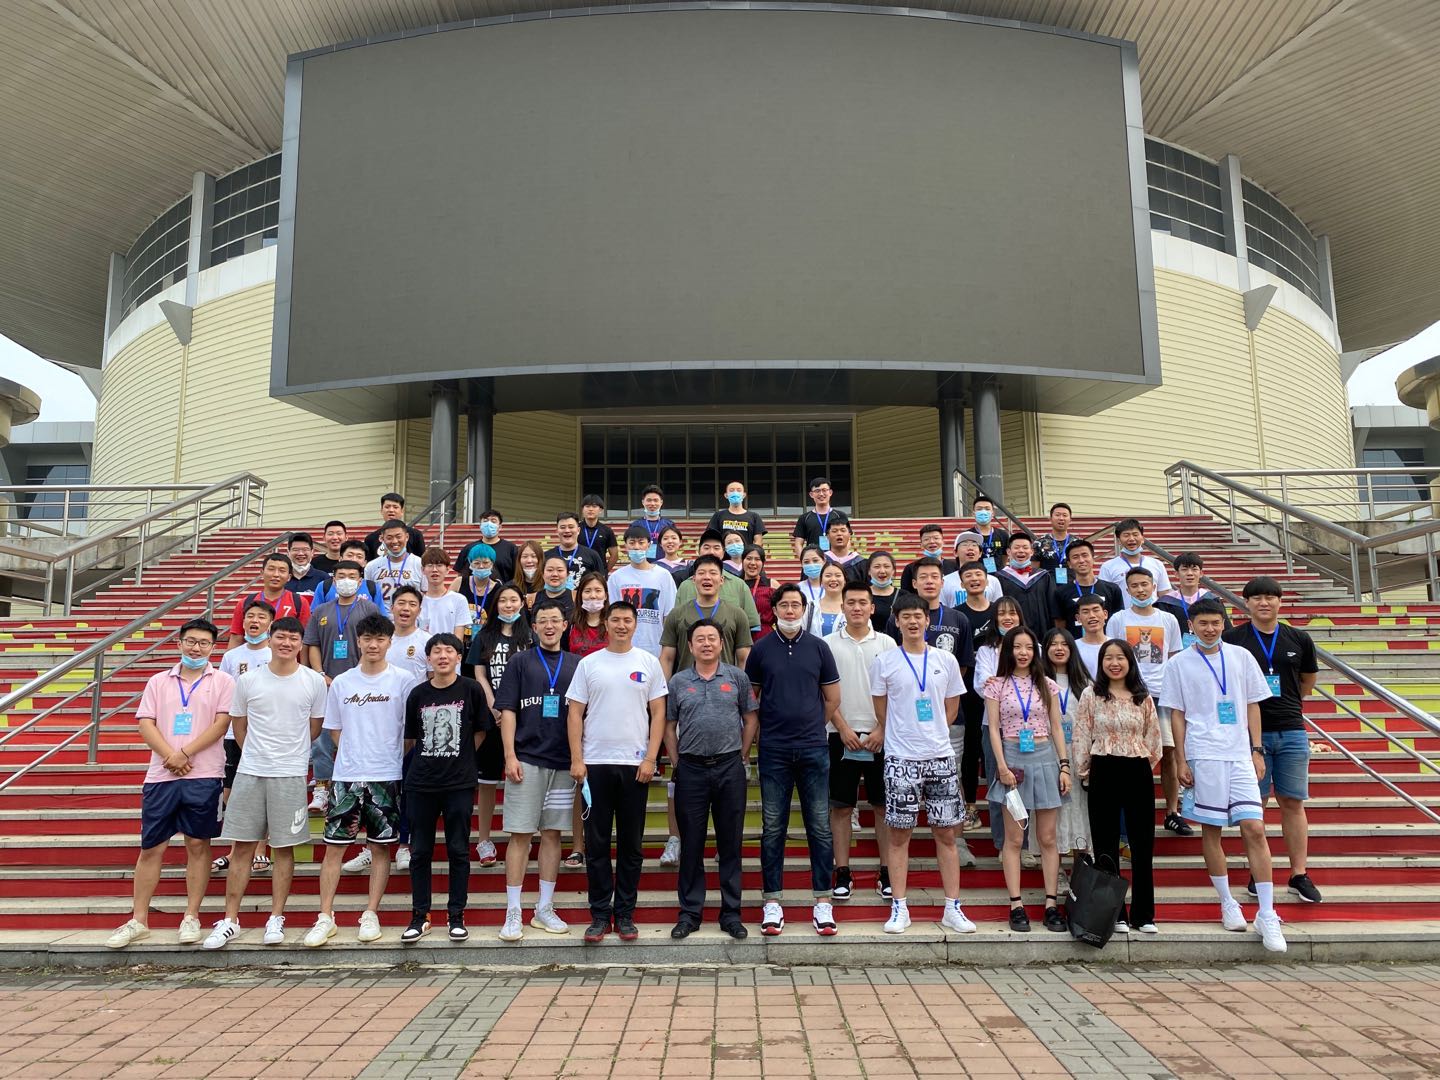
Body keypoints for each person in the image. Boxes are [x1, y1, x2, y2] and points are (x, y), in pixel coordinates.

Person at [1162, 598, 1287, 953]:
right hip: (1203, 754)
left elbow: (1252, 704)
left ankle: (1267, 912)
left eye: (1215, 623)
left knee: (1255, 828)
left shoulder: (1241, 656)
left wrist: (1257, 749)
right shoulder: (1178, 664)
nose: (1210, 629)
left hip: (1239, 754)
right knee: (1212, 830)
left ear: (1224, 624)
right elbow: (1177, 715)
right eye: (1202, 623)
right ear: (1191, 626)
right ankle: (1227, 901)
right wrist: (1181, 759)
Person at [107, 619, 235, 949]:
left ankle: (191, 916)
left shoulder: (223, 681)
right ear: (179, 643)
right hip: (162, 775)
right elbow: (145, 723)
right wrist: (170, 756)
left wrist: (185, 753)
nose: (196, 648)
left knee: (198, 845)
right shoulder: (158, 681)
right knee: (152, 847)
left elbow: (221, 724)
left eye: (204, 643)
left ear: (213, 647)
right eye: (191, 641)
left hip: (204, 774)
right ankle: (139, 919)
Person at [203, 616, 326, 949]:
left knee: (284, 848)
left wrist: (289, 753)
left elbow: (314, 727)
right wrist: (257, 754)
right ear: (270, 639)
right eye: (281, 637)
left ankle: (276, 917)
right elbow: (239, 726)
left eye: (293, 639)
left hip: (290, 773)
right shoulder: (248, 680)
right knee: (242, 847)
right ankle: (230, 919)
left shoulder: (313, 681)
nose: (287, 643)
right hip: (251, 771)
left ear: (301, 644)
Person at [304, 613, 419, 947]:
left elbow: (409, 732)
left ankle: (371, 913)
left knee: (381, 849)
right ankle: (325, 916)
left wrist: (387, 754)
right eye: (367, 638)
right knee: (334, 849)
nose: (373, 645)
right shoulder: (342, 682)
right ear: (358, 641)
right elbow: (334, 729)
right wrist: (355, 753)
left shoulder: (403, 681)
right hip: (347, 776)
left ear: (389, 642)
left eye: (380, 639)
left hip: (387, 776)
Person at [870, 593, 976, 935]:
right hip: (901, 758)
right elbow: (882, 710)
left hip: (940, 757)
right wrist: (904, 734)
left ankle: (952, 907)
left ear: (927, 621)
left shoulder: (946, 659)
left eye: (918, 616)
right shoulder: (884, 661)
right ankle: (899, 907)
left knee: (946, 834)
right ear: (897, 622)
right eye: (906, 617)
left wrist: (931, 735)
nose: (913, 622)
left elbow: (951, 709)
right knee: (899, 835)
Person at [744, 583, 842, 936]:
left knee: (819, 825)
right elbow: (752, 699)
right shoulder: (761, 649)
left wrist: (813, 724)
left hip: (814, 748)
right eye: (783, 605)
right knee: (773, 827)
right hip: (774, 749)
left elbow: (832, 698)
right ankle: (772, 901)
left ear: (804, 609)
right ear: (774, 611)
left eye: (795, 605)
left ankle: (823, 901)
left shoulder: (819, 647)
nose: (789, 611)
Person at [567, 601, 667, 943]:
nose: (621, 625)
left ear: (636, 624)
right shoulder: (589, 663)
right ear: (605, 625)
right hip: (595, 765)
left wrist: (651, 758)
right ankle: (599, 915)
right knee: (596, 845)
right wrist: (577, 759)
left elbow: (658, 714)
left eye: (627, 620)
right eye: (616, 620)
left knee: (630, 845)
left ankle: (624, 914)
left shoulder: (648, 662)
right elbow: (575, 714)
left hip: (635, 766)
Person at [1224, 576, 1321, 904]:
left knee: (1293, 802)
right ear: (1246, 603)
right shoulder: (1233, 639)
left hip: (1291, 729)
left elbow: (1307, 681)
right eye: (1257, 598)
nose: (1264, 603)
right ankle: (1259, 871)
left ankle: (1298, 874)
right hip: (1250, 734)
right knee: (1256, 805)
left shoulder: (1299, 638)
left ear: (1280, 601)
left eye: (1270, 597)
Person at [666, 619, 759, 939]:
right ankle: (690, 913)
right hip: (691, 769)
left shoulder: (736, 677)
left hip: (729, 767)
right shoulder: (678, 682)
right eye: (700, 639)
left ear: (722, 644)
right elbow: (669, 725)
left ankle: (731, 914)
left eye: (712, 638)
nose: (706, 644)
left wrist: (741, 755)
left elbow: (750, 718)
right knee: (691, 844)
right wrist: (677, 761)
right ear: (690, 646)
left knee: (730, 844)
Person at [495, 601, 580, 941]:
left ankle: (544, 908)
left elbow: (582, 714)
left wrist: (578, 758)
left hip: (563, 762)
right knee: (520, 834)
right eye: (542, 620)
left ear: (565, 625)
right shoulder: (520, 662)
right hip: (527, 759)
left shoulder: (577, 664)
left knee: (553, 834)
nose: (549, 625)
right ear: (533, 627)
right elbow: (508, 710)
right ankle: (513, 910)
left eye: (555, 620)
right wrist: (510, 755)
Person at [402, 632, 489, 943]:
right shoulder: (418, 694)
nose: (442, 656)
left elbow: (480, 731)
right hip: (421, 782)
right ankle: (420, 915)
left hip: (459, 783)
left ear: (458, 657)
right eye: (436, 651)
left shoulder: (471, 689)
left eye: (449, 651)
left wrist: (462, 757)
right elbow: (412, 738)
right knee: (420, 852)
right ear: (428, 658)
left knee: (458, 850)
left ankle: (456, 915)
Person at [1073, 639, 1164, 934]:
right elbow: (1081, 733)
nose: (1114, 663)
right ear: (1101, 663)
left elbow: (1154, 739)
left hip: (1137, 769)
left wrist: (1140, 760)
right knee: (1105, 844)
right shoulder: (1091, 694)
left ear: (1130, 662)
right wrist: (1084, 770)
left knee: (1142, 843)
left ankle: (1144, 915)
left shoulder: (1142, 697)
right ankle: (1115, 914)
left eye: (1120, 658)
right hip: (1103, 768)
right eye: (1108, 658)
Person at [984, 626, 1070, 933]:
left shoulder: (1047, 684)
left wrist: (1064, 766)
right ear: (1008, 650)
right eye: (1017, 647)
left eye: (1029, 647)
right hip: (1012, 761)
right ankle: (1016, 905)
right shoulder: (995, 685)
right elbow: (993, 729)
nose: (1023, 653)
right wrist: (1001, 766)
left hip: (1045, 758)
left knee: (1048, 838)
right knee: (1015, 839)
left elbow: (1056, 727)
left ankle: (1051, 905)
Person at [824, 581, 896, 902]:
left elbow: (896, 690)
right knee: (841, 808)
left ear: (872, 607)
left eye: (862, 602)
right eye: (850, 602)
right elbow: (823, 691)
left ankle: (886, 872)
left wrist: (881, 728)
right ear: (842, 607)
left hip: (881, 737)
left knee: (882, 806)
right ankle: (842, 871)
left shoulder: (887, 643)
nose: (856, 607)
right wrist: (841, 728)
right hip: (840, 736)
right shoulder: (826, 644)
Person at [1106, 567, 1190, 837]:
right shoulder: (1118, 619)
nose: (1140, 590)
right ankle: (1130, 816)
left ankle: (1173, 812)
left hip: (1163, 694)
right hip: (1129, 694)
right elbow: (1112, 656)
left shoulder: (1168, 619)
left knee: (1169, 752)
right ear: (1127, 589)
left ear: (1154, 586)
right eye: (1134, 586)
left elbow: (1175, 658)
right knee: (1130, 754)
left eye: (1145, 584)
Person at [303, 559, 382, 813]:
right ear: (333, 579)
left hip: (360, 682)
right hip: (327, 683)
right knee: (322, 738)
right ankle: (322, 788)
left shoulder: (369, 608)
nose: (346, 580)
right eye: (341, 576)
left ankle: (362, 783)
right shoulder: (321, 610)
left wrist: (358, 673)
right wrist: (320, 674)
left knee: (359, 733)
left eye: (351, 576)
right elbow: (312, 644)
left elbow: (374, 643)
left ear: (360, 581)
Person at [468, 583, 532, 869]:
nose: (508, 605)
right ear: (495, 605)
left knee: (523, 778)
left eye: (513, 600)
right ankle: (484, 840)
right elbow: (479, 674)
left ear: (522, 603)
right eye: (503, 600)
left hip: (524, 716)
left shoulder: (529, 636)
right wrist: (494, 704)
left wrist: (514, 708)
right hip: (492, 715)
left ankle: (523, 835)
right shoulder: (484, 636)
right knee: (487, 782)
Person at [213, 599, 274, 875]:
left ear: (270, 623)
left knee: (262, 791)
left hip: (265, 732)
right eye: (250, 616)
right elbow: (223, 694)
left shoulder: (275, 654)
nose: (255, 621)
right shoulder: (232, 656)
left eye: (261, 617)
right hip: (232, 732)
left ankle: (261, 848)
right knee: (233, 790)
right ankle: (235, 850)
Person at [1041, 628, 1093, 883]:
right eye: (1053, 644)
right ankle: (1057, 872)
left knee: (1080, 812)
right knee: (1055, 812)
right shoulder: (1037, 680)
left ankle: (1080, 873)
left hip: (1079, 755)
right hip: (1048, 754)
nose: (1059, 648)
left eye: (1064, 644)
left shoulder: (1086, 683)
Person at [660, 555, 753, 675]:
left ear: (721, 580)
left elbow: (744, 659)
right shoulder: (676, 614)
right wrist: (665, 687)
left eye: (713, 573)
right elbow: (667, 658)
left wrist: (741, 686)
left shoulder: (737, 614)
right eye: (701, 573)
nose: (707, 577)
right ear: (694, 579)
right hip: (686, 685)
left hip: (725, 685)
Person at [884, 558, 975, 679]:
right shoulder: (898, 619)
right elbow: (890, 658)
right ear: (914, 583)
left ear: (942, 583)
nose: (929, 581)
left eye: (934, 577)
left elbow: (963, 663)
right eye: (923, 577)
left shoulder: (959, 619)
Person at [607, 523, 680, 660]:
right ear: (625, 546)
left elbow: (669, 616)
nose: (636, 547)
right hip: (625, 650)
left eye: (641, 542)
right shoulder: (616, 578)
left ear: (649, 545)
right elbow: (612, 615)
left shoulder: (663, 575)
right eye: (632, 543)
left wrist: (667, 651)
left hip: (656, 649)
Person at [674, 531, 763, 631]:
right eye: (706, 548)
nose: (711, 552)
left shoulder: (739, 585)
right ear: (698, 551)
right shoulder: (685, 586)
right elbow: (676, 624)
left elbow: (751, 627)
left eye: (716, 548)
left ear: (723, 552)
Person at [227, 553, 309, 639]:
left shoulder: (299, 602)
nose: (276, 574)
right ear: (262, 573)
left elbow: (304, 638)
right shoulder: (245, 603)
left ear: (289, 577)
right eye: (271, 569)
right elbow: (236, 639)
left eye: (282, 571)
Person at [1052, 539, 1123, 637]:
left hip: (1106, 645)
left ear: (1093, 559)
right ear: (1069, 564)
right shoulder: (1061, 592)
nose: (1081, 560)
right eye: (1075, 557)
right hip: (1075, 645)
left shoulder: (1112, 589)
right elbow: (1060, 627)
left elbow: (1118, 622)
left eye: (1085, 555)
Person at [1158, 552, 1231, 638]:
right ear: (1176, 574)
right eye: (1184, 569)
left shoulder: (1213, 600)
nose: (1190, 573)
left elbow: (1226, 631)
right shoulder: (1165, 603)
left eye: (1194, 569)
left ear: (1201, 573)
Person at [995, 533, 1055, 634]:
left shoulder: (1043, 576)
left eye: (1025, 547)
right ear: (1008, 552)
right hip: (1011, 632)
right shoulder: (1000, 577)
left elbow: (1052, 607)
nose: (1021, 550)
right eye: (1016, 547)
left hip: (1041, 632)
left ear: (1031, 552)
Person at [1099, 518, 1173, 594]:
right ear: (1118, 541)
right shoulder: (1108, 567)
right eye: (1126, 535)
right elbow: (1104, 596)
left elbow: (1164, 595)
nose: (1131, 539)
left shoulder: (1157, 564)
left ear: (1142, 539)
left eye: (1135, 535)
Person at [313, 540, 389, 613]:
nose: (354, 559)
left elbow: (381, 615)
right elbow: (315, 614)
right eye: (350, 555)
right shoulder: (324, 586)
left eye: (359, 556)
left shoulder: (372, 587)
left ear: (365, 563)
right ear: (340, 559)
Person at [366, 520, 427, 607]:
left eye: (398, 537)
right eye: (389, 538)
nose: (394, 541)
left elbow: (426, 594)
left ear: (407, 537)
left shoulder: (420, 564)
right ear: (382, 539)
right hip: (381, 615)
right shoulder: (371, 566)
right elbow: (368, 597)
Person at [452, 509, 518, 585]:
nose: (489, 524)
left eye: (493, 521)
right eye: (485, 521)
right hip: (473, 591)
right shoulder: (469, 548)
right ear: (480, 526)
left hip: (503, 591)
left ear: (500, 527)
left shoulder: (511, 549)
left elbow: (517, 575)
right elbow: (460, 574)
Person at [791, 475, 850, 556]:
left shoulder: (840, 515)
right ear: (811, 494)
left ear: (830, 492)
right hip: (814, 560)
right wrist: (805, 560)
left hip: (835, 561)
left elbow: (847, 540)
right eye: (817, 491)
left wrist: (841, 559)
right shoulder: (804, 518)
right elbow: (798, 543)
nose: (821, 494)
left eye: (824, 490)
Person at [419, 547, 469, 638]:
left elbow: (458, 637)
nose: (434, 569)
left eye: (439, 565)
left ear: (447, 569)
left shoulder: (459, 600)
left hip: (449, 647)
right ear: (423, 570)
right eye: (430, 565)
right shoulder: (417, 601)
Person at [941, 533, 1002, 607]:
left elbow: (998, 608)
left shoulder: (993, 581)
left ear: (980, 553)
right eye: (965, 545)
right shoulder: (945, 582)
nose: (970, 548)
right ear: (955, 553)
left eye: (974, 545)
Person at [362, 491, 426, 562]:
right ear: (381, 510)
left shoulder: (415, 535)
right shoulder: (371, 539)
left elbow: (423, 562)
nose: (391, 510)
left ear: (402, 511)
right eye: (387, 507)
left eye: (395, 507)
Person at [384, 585, 430, 679]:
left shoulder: (427, 641)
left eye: (412, 604)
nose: (406, 608)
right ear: (392, 608)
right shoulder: (379, 639)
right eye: (401, 603)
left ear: (419, 611)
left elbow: (434, 678)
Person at [549, 511, 607, 580]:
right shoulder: (547, 556)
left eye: (571, 527)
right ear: (557, 531)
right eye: (562, 527)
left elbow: (601, 582)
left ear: (578, 530)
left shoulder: (592, 555)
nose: (567, 530)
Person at [458, 542, 500, 635]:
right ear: (470, 564)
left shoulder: (498, 589)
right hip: (461, 636)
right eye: (476, 563)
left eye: (485, 562)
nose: (481, 566)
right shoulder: (459, 582)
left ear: (492, 564)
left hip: (489, 636)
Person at [900, 524, 955, 593]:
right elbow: (905, 595)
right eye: (926, 539)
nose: (932, 542)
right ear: (921, 545)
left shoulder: (954, 566)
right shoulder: (911, 568)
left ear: (943, 542)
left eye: (936, 538)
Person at [707, 480, 767, 545]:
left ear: (744, 495)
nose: (735, 493)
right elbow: (711, 539)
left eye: (739, 490)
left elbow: (758, 541)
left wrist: (751, 551)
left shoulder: (754, 516)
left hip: (746, 551)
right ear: (726, 495)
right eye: (731, 490)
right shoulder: (718, 516)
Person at [567, 572, 610, 658]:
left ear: (605, 595)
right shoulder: (570, 623)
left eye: (598, 591)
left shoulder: (613, 623)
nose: (593, 596)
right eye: (587, 591)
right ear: (580, 595)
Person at [632, 484, 677, 561]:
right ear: (643, 502)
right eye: (649, 500)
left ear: (661, 502)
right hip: (642, 564)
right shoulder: (636, 525)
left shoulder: (669, 524)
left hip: (664, 564)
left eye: (656, 500)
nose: (652, 504)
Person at [804, 561, 848, 637]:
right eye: (828, 576)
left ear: (844, 581)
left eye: (838, 575)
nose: (833, 579)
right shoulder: (810, 607)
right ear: (821, 581)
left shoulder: (853, 607)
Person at [742, 544, 776, 637]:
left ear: (763, 563)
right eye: (749, 558)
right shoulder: (735, 584)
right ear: (742, 560)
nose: (753, 563)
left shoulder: (771, 585)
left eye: (757, 559)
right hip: (740, 636)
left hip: (765, 636)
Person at [580, 494, 619, 573]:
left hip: (599, 573)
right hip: (579, 572)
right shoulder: (576, 529)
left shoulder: (607, 530)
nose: (590, 509)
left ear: (601, 510)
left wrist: (605, 571)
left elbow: (614, 555)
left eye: (594, 506)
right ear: (582, 509)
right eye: (587, 506)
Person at [1074, 595, 1111, 680]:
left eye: (1096, 610)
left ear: (1105, 614)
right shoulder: (1073, 648)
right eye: (1085, 612)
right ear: (1078, 618)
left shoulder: (1118, 646)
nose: (1092, 615)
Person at [1034, 503, 1075, 575]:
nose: (1061, 518)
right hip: (1046, 582)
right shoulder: (1039, 543)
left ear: (1070, 520)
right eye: (1057, 515)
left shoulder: (1077, 543)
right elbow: (1034, 573)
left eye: (1065, 515)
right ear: (1050, 519)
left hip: (1073, 582)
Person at [284, 532, 327, 600]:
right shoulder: (282, 577)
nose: (300, 553)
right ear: (288, 552)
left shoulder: (323, 578)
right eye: (296, 550)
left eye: (305, 549)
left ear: (312, 552)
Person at [971, 496, 1010, 570]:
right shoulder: (968, 535)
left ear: (993, 513)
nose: (983, 512)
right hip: (976, 574)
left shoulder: (1003, 535)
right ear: (973, 513)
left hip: (998, 575)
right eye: (979, 509)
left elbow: (1004, 557)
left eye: (987, 509)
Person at [866, 550, 899, 632]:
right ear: (869, 571)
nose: (882, 571)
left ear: (893, 571)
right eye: (877, 567)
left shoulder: (904, 596)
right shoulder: (861, 595)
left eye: (886, 566)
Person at [535, 554, 577, 618]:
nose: (555, 574)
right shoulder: (532, 598)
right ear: (542, 574)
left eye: (560, 570)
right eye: (550, 570)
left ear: (567, 575)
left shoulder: (577, 598)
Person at [797, 544, 827, 612]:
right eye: (806, 562)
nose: (811, 564)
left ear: (824, 561)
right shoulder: (798, 589)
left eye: (815, 560)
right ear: (802, 564)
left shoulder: (832, 586)